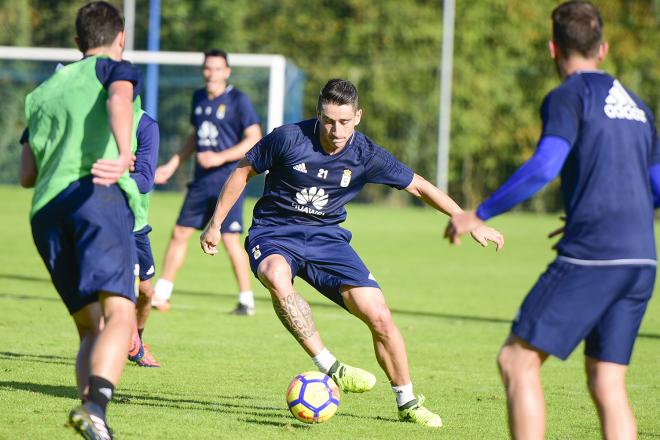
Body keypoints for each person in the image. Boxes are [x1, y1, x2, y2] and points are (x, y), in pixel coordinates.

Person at [200, 79, 504, 427]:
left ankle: (407, 402)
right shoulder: (288, 138)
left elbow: (418, 186)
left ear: (357, 117)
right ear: (318, 115)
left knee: (380, 316)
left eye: (344, 121)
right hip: (275, 234)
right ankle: (331, 367)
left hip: (327, 240)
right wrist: (216, 223)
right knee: (274, 275)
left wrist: (469, 220)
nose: (336, 129)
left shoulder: (365, 154)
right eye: (328, 120)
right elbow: (243, 170)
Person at [445, 2, 660, 438]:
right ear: (602, 49)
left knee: (515, 361)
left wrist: (478, 213)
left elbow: (545, 167)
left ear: (552, 49)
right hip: (641, 260)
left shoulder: (567, 96)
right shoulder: (638, 107)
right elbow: (656, 185)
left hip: (593, 257)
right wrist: (608, 216)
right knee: (606, 380)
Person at [21, 2, 143, 438]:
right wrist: (126, 152)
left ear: (77, 43)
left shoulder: (41, 93)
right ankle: (94, 407)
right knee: (121, 315)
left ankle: (94, 425)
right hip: (95, 197)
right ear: (119, 38)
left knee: (89, 327)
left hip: (45, 214)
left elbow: (26, 174)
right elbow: (120, 98)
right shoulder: (114, 68)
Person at [152, 49, 262, 315]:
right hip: (201, 182)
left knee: (231, 239)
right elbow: (195, 137)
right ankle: (161, 294)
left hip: (229, 181)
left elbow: (254, 138)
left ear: (227, 72)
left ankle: (246, 300)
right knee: (179, 233)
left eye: (217, 69)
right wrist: (173, 163)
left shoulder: (238, 100)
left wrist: (219, 157)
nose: (211, 74)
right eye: (207, 68)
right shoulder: (198, 98)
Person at [127, 109, 161, 368]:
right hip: (105, 221)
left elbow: (144, 181)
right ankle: (126, 346)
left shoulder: (144, 124)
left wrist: (117, 170)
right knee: (118, 292)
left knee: (146, 292)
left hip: (137, 225)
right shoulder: (93, 118)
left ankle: (137, 340)